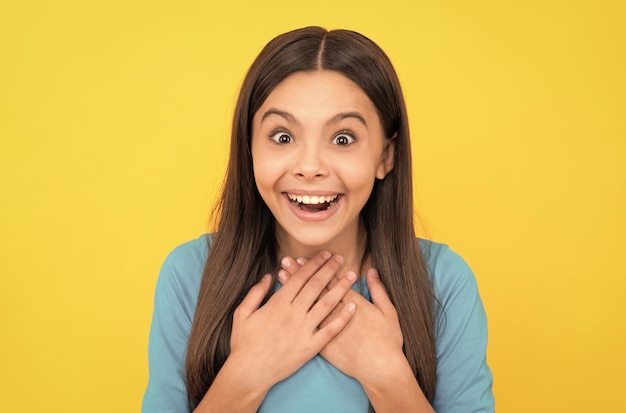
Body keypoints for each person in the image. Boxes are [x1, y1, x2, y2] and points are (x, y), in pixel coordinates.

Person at [142, 26, 494, 413]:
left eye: (343, 138)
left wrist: (387, 375)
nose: (310, 167)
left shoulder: (444, 282)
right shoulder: (189, 275)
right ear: (249, 147)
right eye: (282, 137)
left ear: (385, 156)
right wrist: (246, 373)